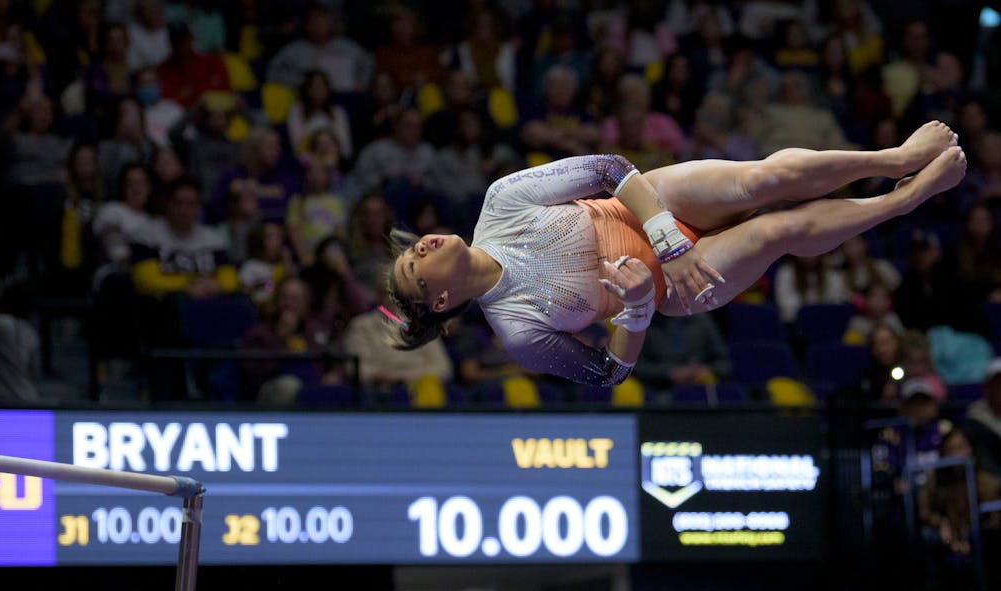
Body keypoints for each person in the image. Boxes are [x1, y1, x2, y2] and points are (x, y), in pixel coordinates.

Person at [385, 121, 965, 386]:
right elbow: (610, 371)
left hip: (650, 204)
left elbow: (612, 170)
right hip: (671, 290)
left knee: (763, 180)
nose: (423, 245)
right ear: (440, 299)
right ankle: (902, 201)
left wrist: (666, 237)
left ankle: (891, 160)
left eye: (412, 247)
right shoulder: (518, 333)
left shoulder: (501, 202)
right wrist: (636, 305)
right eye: (415, 263)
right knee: (771, 233)